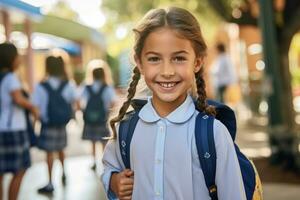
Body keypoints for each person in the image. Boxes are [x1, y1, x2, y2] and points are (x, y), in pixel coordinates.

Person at [101, 7, 246, 200]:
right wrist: (114, 181)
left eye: (178, 58)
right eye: (154, 59)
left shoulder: (214, 133)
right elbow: (109, 167)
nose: (167, 71)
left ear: (197, 62)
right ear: (139, 63)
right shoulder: (126, 129)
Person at [32, 55, 78, 194]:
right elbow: (74, 101)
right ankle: (64, 172)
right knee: (61, 148)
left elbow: (36, 107)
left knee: (49, 153)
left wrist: (35, 124)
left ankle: (51, 181)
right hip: (62, 123)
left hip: (48, 123)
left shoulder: (41, 86)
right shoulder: (68, 84)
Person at [0, 42, 39, 200]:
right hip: (14, 129)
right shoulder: (10, 78)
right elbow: (18, 99)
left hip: (2, 128)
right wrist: (33, 108)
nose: (20, 58)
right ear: (11, 58)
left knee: (1, 172)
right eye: (17, 55)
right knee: (20, 169)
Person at [80, 60, 117, 170]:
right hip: (102, 118)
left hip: (90, 118)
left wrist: (83, 110)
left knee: (92, 141)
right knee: (103, 141)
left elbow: (80, 99)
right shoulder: (107, 87)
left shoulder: (86, 86)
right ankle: (104, 161)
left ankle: (94, 161)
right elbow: (112, 102)